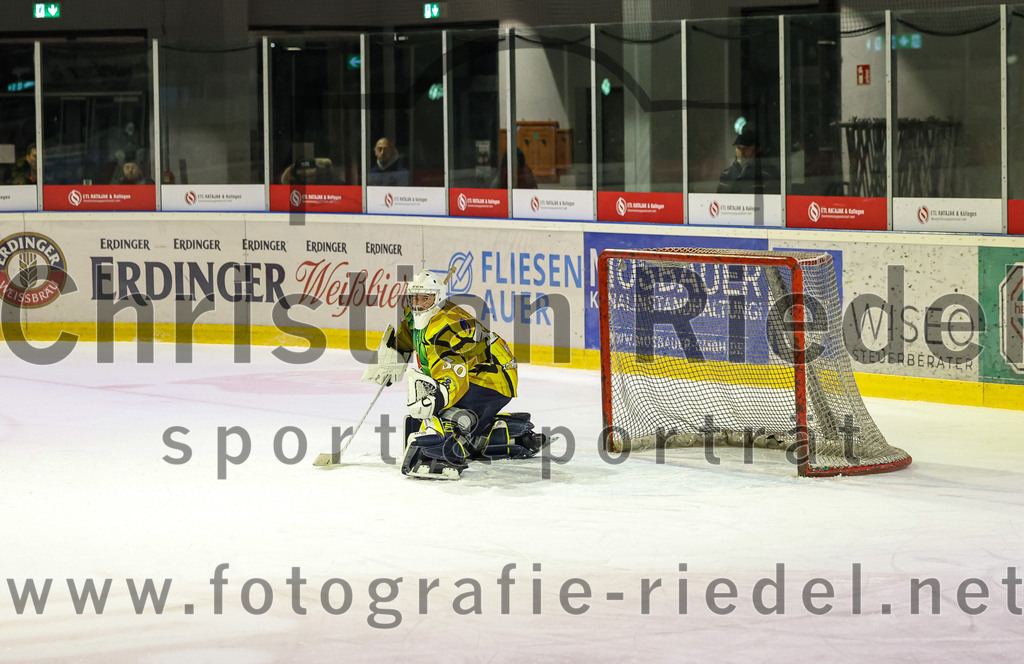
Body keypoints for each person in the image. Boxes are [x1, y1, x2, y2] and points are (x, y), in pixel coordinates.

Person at [361, 269, 550, 480]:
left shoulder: (446, 327)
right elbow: (407, 337)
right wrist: (391, 360)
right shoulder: (416, 317)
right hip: (475, 373)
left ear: (438, 297)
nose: (419, 304)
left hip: (493, 377)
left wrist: (437, 398)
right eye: (415, 298)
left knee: (445, 417)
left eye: (426, 299)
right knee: (434, 414)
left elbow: (455, 375)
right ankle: (509, 435)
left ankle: (444, 453)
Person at [717, 128, 780, 195]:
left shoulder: (769, 173)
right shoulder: (727, 174)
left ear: (758, 149)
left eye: (746, 148)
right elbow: (720, 199)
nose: (741, 152)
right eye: (738, 148)